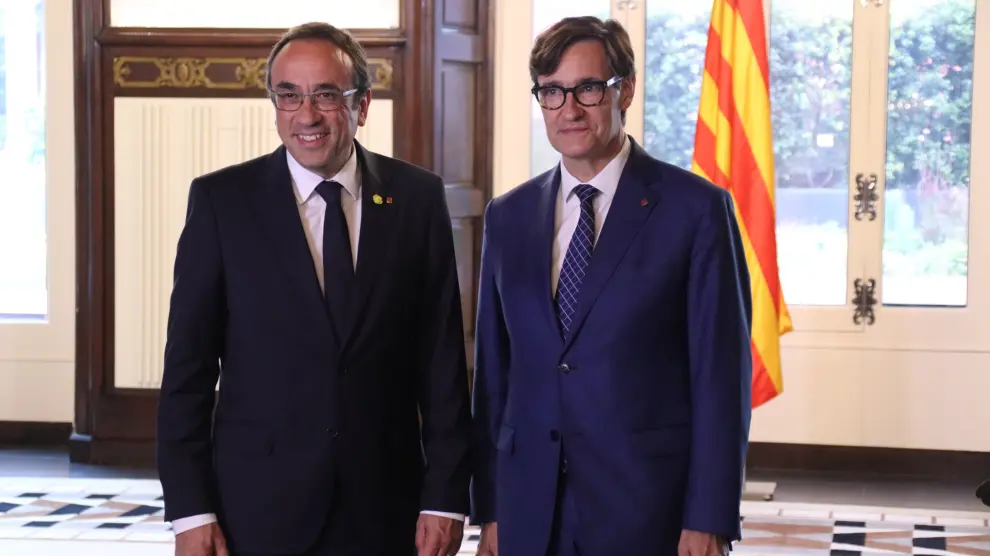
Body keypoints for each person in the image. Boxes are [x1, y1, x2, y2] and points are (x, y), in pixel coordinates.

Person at [156, 21, 472, 556]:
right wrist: (191, 510)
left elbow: (442, 363)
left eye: (326, 95)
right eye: (289, 96)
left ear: (362, 104)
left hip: (386, 508)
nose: (306, 115)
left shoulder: (417, 199)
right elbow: (187, 373)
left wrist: (445, 498)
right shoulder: (222, 203)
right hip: (257, 510)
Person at [470, 16, 753, 556]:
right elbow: (495, 380)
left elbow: (721, 380)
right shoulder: (508, 216)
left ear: (626, 90)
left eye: (588, 88)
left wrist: (709, 518)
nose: (569, 109)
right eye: (551, 91)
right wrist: (492, 508)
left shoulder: (696, 210)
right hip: (529, 510)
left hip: (647, 510)